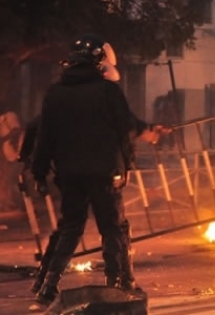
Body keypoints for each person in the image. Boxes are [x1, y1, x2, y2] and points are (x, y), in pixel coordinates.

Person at [30, 34, 166, 305]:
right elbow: (125, 127)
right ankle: (115, 284)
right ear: (98, 63)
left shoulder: (56, 93)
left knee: (71, 228)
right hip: (104, 172)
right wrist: (130, 158)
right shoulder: (107, 91)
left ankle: (49, 285)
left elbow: (45, 136)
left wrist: (39, 173)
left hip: (69, 174)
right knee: (112, 228)